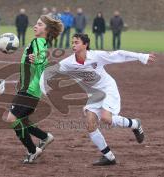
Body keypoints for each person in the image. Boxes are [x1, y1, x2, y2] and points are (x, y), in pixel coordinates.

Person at [40, 33, 156, 166]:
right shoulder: (68, 62)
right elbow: (49, 72)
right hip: (94, 95)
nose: (73, 45)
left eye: (77, 42)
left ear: (85, 45)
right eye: (72, 42)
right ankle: (109, 157)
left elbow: (119, 54)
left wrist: (142, 57)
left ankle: (135, 124)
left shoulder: (96, 56)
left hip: (108, 89)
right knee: (90, 124)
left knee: (106, 119)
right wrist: (46, 90)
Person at [3, 15, 63, 164]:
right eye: (36, 24)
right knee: (22, 120)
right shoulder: (41, 43)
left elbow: (41, 58)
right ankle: (44, 137)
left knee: (12, 119)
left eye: (39, 24)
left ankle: (32, 150)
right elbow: (42, 59)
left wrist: (37, 60)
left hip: (29, 90)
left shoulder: (38, 43)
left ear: (47, 30)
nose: (35, 26)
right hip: (30, 90)